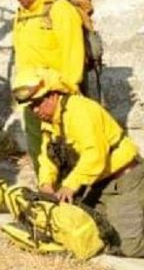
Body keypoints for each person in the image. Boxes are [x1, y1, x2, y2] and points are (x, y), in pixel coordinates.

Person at [12, 67, 144, 257]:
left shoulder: (80, 110)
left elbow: (95, 154)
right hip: (95, 184)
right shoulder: (50, 121)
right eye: (30, 107)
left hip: (123, 180)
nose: (35, 110)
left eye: (37, 103)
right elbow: (47, 158)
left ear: (53, 95)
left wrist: (69, 186)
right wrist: (46, 184)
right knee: (86, 231)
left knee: (129, 248)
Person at [5, 0, 85, 174]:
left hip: (58, 98)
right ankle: (47, 196)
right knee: (38, 150)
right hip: (30, 97)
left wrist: (62, 96)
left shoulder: (59, 10)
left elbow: (73, 57)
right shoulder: (21, 16)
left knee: (68, 151)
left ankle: (76, 199)